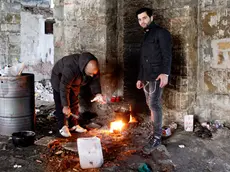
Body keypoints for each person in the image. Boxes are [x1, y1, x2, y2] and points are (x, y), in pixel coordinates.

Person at [135, 7, 172, 153]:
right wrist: (139, 78)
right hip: (146, 76)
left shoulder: (161, 33)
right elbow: (143, 60)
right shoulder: (146, 35)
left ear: (151, 17)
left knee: (154, 104)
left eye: (144, 18)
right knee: (150, 105)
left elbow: (167, 55)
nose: (142, 21)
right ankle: (154, 133)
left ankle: (157, 138)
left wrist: (165, 73)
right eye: (139, 19)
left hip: (157, 75)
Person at [51, 52, 106, 137]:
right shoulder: (70, 67)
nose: (92, 76)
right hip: (60, 80)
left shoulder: (93, 68)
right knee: (61, 103)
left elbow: (95, 80)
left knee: (74, 100)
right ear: (84, 68)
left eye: (93, 73)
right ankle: (62, 126)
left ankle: (73, 125)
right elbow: (64, 87)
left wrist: (98, 93)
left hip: (75, 81)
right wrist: (65, 105)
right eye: (90, 73)